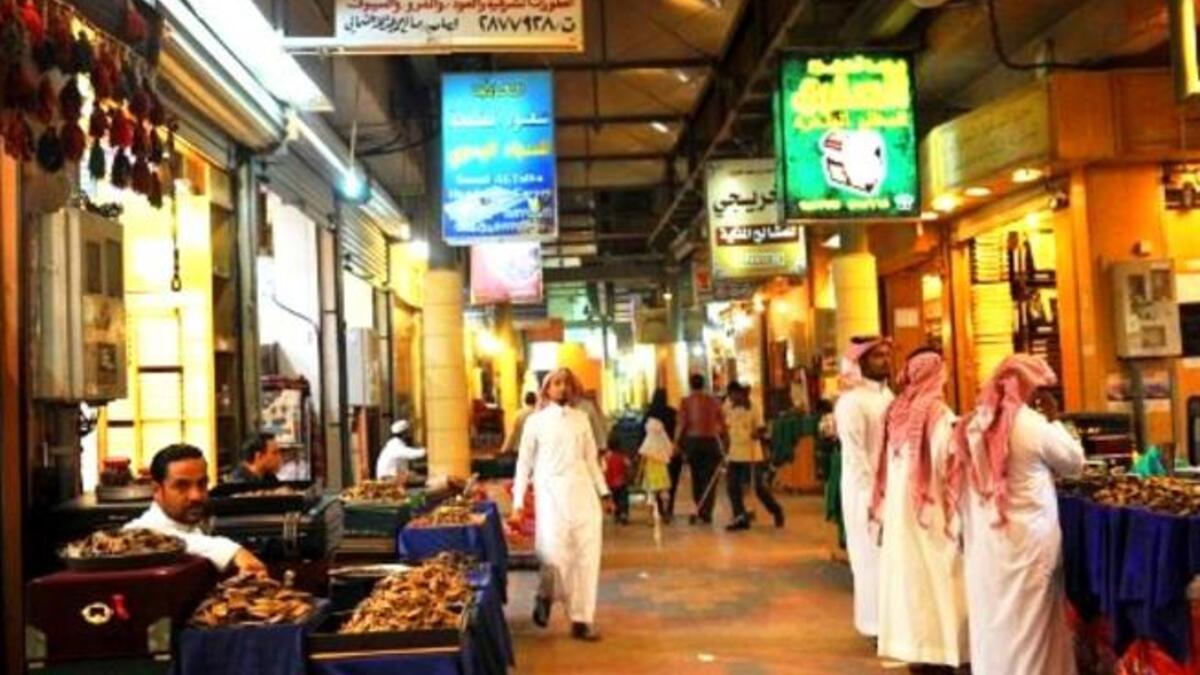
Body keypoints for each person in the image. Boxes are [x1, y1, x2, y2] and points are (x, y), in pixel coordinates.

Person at [947, 354, 1084, 675]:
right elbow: (1074, 463)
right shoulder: (1031, 425)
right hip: (1027, 546)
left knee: (995, 622)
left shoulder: (972, 424)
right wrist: (1054, 419)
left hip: (988, 548)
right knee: (1032, 628)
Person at [870, 349, 968, 668]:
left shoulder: (897, 409)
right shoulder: (936, 411)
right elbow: (945, 458)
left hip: (901, 512)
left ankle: (916, 649)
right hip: (930, 509)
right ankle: (943, 652)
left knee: (910, 581)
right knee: (940, 578)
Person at [512, 368, 612, 642]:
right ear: (546, 389)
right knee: (555, 557)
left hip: (583, 495)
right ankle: (547, 594)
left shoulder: (581, 419)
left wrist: (604, 493)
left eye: (566, 383)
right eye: (556, 384)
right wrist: (518, 502)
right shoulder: (535, 423)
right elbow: (524, 464)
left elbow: (591, 459)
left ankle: (582, 619)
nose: (562, 388)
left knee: (587, 558)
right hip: (551, 495)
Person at [833, 335, 894, 638]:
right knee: (869, 558)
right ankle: (873, 626)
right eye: (876, 356)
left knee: (889, 561)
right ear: (860, 363)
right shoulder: (851, 403)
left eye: (886, 355)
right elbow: (857, 456)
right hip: (864, 492)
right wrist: (873, 496)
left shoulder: (887, 396)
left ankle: (892, 625)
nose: (885, 360)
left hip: (889, 490)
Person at [126, 444, 266, 574]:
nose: (196, 496)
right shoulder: (136, 533)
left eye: (202, 484)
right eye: (181, 486)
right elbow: (160, 540)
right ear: (156, 490)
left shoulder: (193, 530)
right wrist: (233, 551)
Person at [724, 383, 784, 531]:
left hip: (751, 456)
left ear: (739, 394)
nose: (731, 398)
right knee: (732, 486)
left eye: (733, 395)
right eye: (729, 395)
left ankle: (776, 510)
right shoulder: (727, 407)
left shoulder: (754, 408)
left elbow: (762, 429)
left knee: (758, 487)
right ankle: (740, 517)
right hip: (734, 454)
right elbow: (725, 426)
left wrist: (756, 434)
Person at [675, 373, 726, 525]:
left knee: (697, 477)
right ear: (703, 384)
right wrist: (725, 440)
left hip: (694, 442)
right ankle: (706, 510)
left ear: (690, 385)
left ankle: (700, 507)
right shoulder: (714, 401)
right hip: (711, 441)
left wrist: (676, 443)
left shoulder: (686, 402)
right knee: (711, 478)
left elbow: (682, 424)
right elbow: (722, 423)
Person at [642, 388, 680, 520]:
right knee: (671, 482)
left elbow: (642, 435)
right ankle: (669, 509)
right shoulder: (672, 412)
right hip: (670, 453)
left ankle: (658, 507)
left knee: (655, 482)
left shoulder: (648, 415)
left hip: (653, 455)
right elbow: (678, 431)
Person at [637, 416, 673, 518]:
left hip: (650, 473)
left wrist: (639, 475)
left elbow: (643, 459)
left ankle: (650, 517)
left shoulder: (647, 443)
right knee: (664, 493)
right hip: (662, 472)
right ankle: (666, 512)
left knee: (650, 495)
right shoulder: (663, 441)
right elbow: (669, 453)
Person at [603, 448, 630, 525]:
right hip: (622, 482)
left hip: (612, 483)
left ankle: (616, 515)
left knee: (615, 499)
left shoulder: (608, 457)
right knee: (623, 499)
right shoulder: (622, 456)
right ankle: (624, 515)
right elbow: (628, 464)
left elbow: (606, 470)